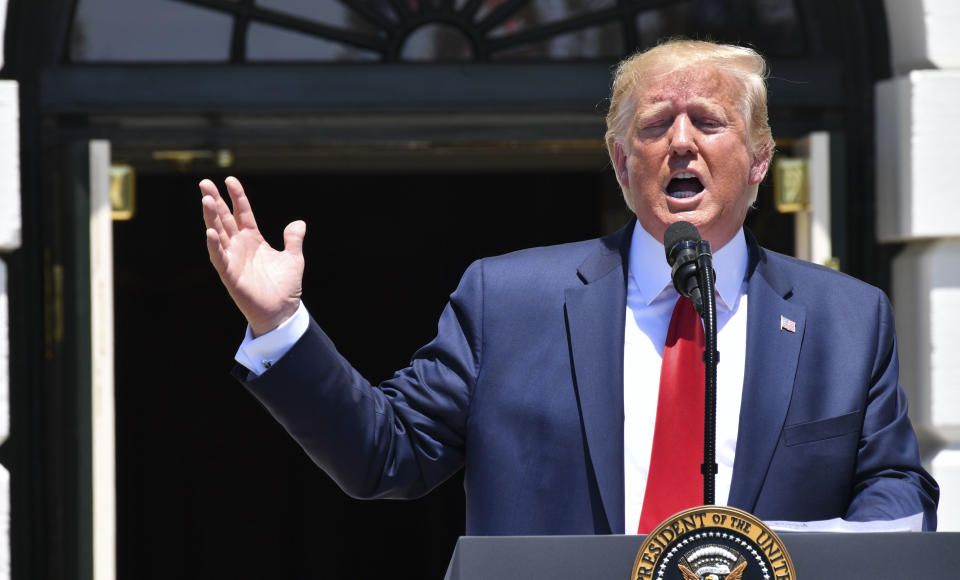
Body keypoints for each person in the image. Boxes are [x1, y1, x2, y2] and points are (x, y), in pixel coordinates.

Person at [199, 39, 938, 535]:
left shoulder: (846, 320)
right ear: (622, 166)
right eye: (656, 126)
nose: (680, 141)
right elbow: (384, 456)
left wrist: (776, 552)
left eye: (707, 121)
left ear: (758, 162)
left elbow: (898, 496)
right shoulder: (508, 303)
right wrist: (281, 327)